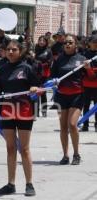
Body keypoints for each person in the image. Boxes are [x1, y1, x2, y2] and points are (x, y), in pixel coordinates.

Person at [0, 40, 40, 196]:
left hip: (24, 112)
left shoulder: (28, 68)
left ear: (20, 51)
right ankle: (11, 184)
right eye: (8, 50)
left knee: (25, 149)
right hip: (7, 111)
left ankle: (29, 184)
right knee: (10, 147)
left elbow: (39, 88)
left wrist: (35, 89)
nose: (11, 52)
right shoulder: (3, 68)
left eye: (14, 49)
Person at [51, 34, 89, 165]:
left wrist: (88, 69)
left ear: (75, 45)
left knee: (72, 125)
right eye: (66, 42)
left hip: (77, 95)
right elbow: (51, 78)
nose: (67, 44)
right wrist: (53, 82)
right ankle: (65, 155)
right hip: (61, 96)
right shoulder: (59, 60)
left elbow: (91, 77)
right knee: (63, 127)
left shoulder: (82, 59)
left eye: (70, 42)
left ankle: (76, 154)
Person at [80, 34, 97, 132]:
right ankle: (85, 124)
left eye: (96, 42)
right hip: (86, 84)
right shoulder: (85, 54)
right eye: (93, 42)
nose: (95, 44)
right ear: (89, 43)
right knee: (85, 105)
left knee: (96, 106)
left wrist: (91, 69)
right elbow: (81, 69)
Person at [34, 35, 53, 117]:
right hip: (36, 74)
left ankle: (44, 111)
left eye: (43, 41)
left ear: (46, 42)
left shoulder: (48, 51)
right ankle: (36, 111)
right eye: (40, 40)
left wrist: (40, 65)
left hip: (45, 74)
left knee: (43, 93)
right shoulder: (35, 50)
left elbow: (50, 62)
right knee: (36, 93)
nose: (41, 42)